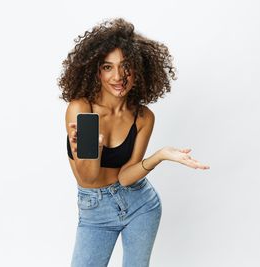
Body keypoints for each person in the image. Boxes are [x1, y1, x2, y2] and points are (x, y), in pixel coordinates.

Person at [58, 17, 210, 267]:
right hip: (95, 212)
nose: (118, 76)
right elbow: (88, 180)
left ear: (138, 69)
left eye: (125, 65)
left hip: (141, 206)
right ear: (96, 71)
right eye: (107, 67)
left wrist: (160, 155)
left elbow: (126, 177)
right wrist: (93, 151)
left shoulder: (143, 117)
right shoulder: (83, 110)